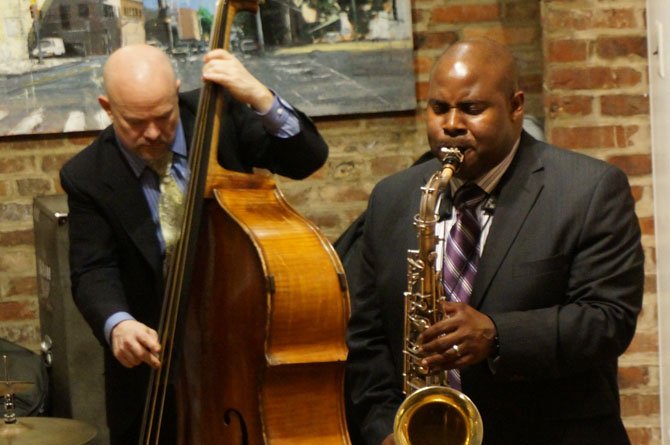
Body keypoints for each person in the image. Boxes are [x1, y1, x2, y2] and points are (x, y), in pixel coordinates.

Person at [345, 38, 644, 445]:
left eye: (471, 109)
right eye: (438, 109)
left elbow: (608, 320)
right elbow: (368, 340)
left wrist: (497, 334)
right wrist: (385, 430)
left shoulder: (589, 189)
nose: (450, 123)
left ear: (516, 106)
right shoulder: (392, 197)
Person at [59, 44, 328, 445]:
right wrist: (119, 323)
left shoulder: (218, 116)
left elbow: (307, 159)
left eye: (163, 117)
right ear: (107, 107)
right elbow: (92, 269)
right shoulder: (87, 175)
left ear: (177, 92)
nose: (152, 133)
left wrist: (259, 96)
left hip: (240, 353)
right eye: (135, 122)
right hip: (154, 372)